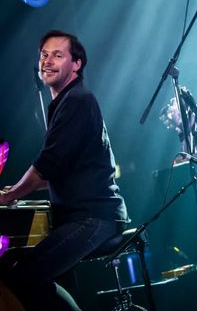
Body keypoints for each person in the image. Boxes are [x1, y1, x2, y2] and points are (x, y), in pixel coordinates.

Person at [0, 30, 129, 310]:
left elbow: (48, 163)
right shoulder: (65, 102)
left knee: (24, 277)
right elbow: (65, 169)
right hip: (84, 217)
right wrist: (15, 189)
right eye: (44, 55)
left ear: (77, 64)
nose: (47, 61)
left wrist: (9, 196)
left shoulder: (77, 100)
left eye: (57, 55)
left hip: (93, 217)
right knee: (15, 266)